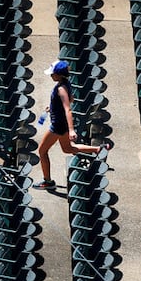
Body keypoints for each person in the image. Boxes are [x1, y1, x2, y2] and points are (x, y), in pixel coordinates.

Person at [34, 60, 102, 190]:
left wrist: (71, 130)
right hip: (61, 124)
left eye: (53, 74)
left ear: (59, 75)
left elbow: (68, 109)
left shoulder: (61, 88)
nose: (51, 76)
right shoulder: (65, 84)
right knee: (67, 149)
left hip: (58, 126)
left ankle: (47, 182)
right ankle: (98, 149)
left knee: (42, 151)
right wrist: (53, 107)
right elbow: (71, 99)